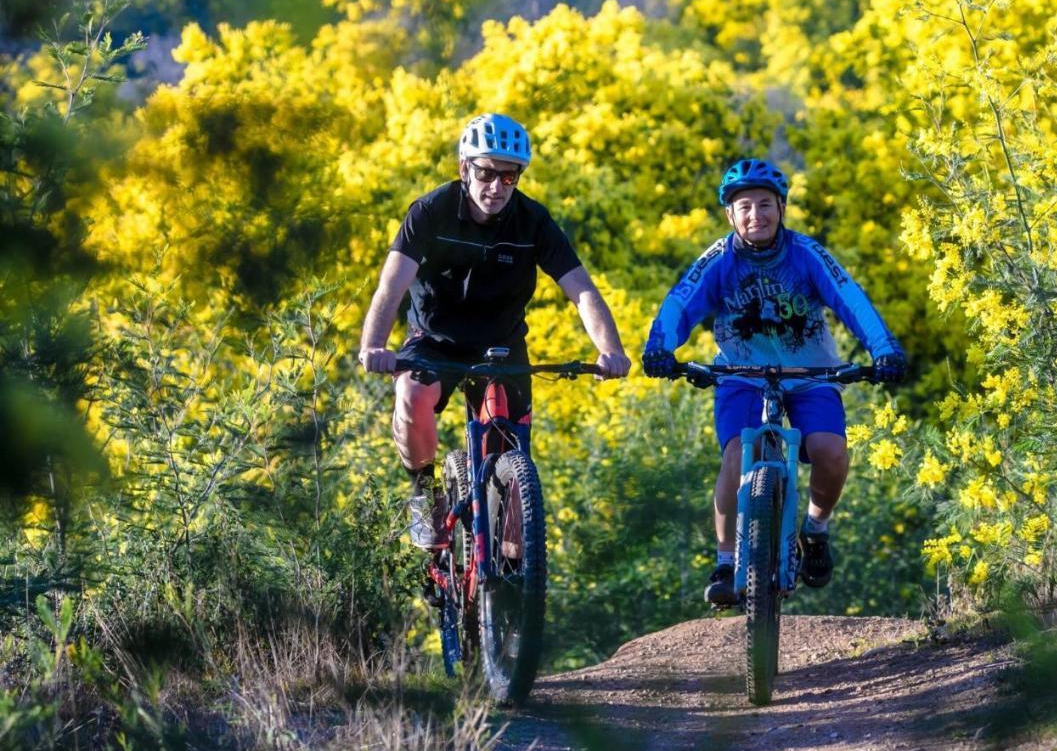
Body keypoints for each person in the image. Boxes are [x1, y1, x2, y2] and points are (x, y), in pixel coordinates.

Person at [359, 113, 631, 551]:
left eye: (510, 177)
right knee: (411, 397)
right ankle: (423, 491)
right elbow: (390, 287)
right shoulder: (430, 212)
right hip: (435, 340)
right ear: (465, 167)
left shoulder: (533, 222)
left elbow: (581, 291)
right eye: (487, 172)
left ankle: (510, 589)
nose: (497, 187)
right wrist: (373, 345)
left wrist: (610, 350)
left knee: (514, 479)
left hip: (501, 346)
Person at [641, 158, 906, 606]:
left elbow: (851, 299)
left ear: (782, 208)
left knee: (830, 451)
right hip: (741, 376)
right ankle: (726, 561)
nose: (755, 215)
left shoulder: (807, 254)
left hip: (810, 375)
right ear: (730, 214)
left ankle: (816, 531)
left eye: (765, 205)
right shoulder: (718, 259)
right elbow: (680, 302)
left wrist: (883, 349)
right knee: (733, 458)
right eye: (744, 206)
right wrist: (660, 347)